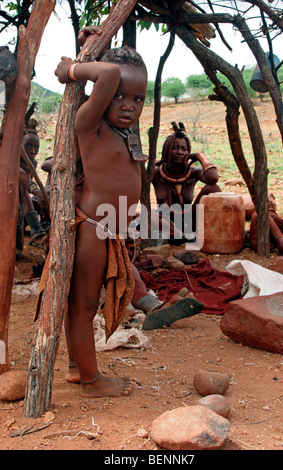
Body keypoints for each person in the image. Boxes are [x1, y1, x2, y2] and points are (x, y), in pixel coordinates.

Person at [54, 41, 150, 398]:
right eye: (119, 96)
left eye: (138, 99)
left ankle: (78, 368)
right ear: (101, 93)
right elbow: (108, 73)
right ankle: (92, 383)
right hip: (93, 229)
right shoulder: (89, 123)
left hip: (110, 229)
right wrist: (72, 69)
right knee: (82, 306)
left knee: (82, 304)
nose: (129, 106)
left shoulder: (123, 132)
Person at [152, 122, 221, 241]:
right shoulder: (156, 172)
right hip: (166, 224)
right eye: (175, 148)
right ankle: (183, 237)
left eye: (184, 149)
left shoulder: (193, 172)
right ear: (167, 150)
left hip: (190, 222)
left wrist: (200, 156)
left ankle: (190, 235)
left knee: (212, 189)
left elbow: (213, 179)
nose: (179, 152)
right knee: (149, 215)